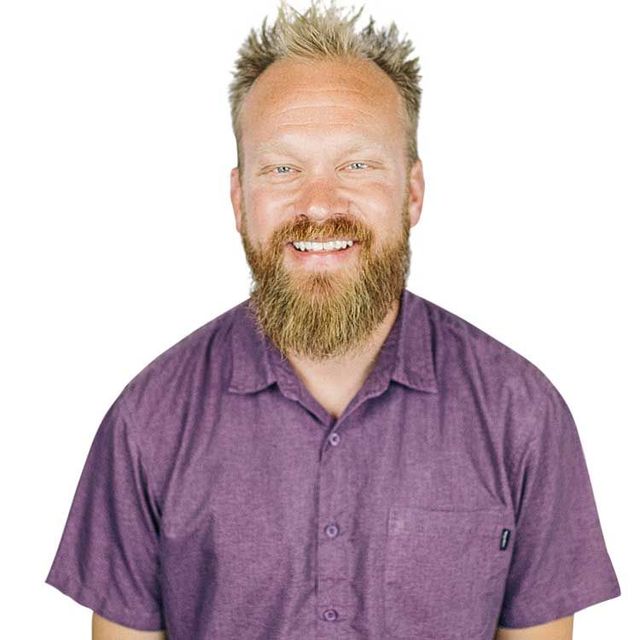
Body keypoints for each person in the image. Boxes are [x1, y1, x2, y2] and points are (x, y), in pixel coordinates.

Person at [44, 1, 621, 638]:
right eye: (283, 168)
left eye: (357, 165)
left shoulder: (522, 415)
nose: (319, 205)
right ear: (239, 200)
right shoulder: (148, 421)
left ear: (413, 192)